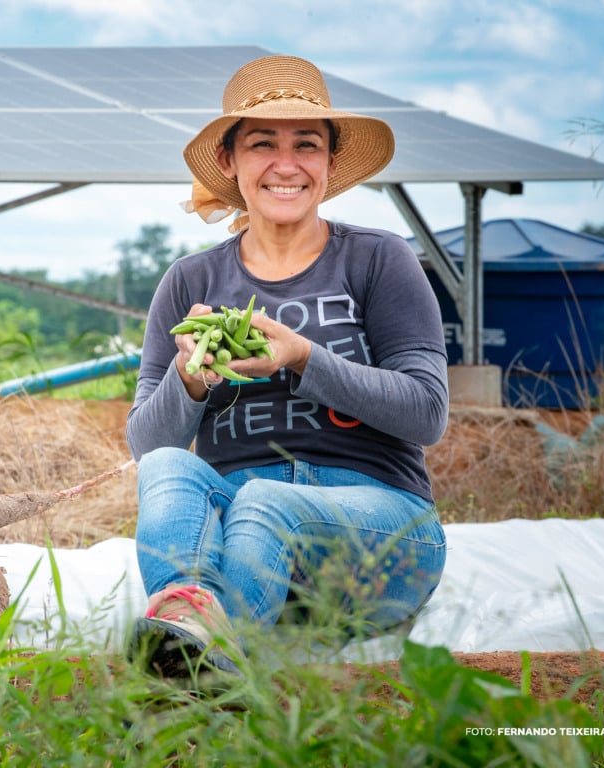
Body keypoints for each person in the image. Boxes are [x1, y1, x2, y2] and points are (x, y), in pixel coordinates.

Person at [125, 54, 449, 681]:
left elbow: (428, 412)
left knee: (266, 501)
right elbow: (147, 444)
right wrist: (191, 380)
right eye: (261, 144)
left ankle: (196, 668)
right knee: (172, 466)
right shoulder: (191, 280)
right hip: (245, 533)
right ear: (230, 161)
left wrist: (302, 356)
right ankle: (191, 619)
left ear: (329, 163)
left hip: (380, 531)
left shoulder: (379, 260)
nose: (286, 164)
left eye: (306, 144)